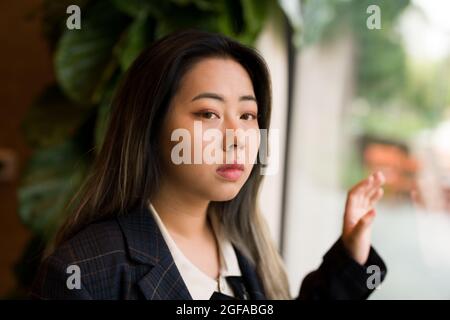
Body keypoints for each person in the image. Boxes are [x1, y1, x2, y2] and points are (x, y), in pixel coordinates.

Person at [31, 30, 387, 300]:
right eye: (208, 113)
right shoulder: (86, 273)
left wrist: (351, 256)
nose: (237, 136)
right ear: (150, 127)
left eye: (248, 115)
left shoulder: (248, 251)